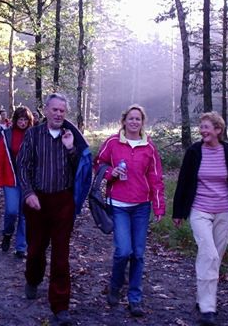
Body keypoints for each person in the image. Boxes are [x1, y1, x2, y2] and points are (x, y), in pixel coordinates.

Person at [172, 111, 228, 326]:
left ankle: (203, 297)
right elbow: (183, 182)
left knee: (214, 258)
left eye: (207, 127)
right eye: (201, 127)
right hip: (200, 210)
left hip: (224, 211)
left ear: (218, 130)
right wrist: (178, 212)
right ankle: (208, 308)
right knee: (209, 254)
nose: (202, 131)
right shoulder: (193, 152)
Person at [17, 93, 93, 326]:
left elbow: (81, 170)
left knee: (61, 255)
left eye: (62, 110)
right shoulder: (33, 134)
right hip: (37, 202)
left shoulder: (72, 136)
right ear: (46, 110)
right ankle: (33, 278)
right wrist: (28, 193)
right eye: (55, 110)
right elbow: (23, 165)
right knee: (35, 250)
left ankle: (60, 305)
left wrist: (71, 149)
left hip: (63, 202)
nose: (59, 114)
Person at [94, 104, 165, 317]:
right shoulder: (113, 142)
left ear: (142, 123)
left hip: (141, 206)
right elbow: (98, 163)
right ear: (124, 121)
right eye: (131, 118)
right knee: (123, 251)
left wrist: (158, 206)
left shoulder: (149, 147)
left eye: (138, 119)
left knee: (138, 254)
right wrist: (110, 173)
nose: (134, 122)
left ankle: (135, 298)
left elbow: (156, 178)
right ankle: (115, 285)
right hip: (119, 206)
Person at [0, 106, 34, 258]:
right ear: (15, 120)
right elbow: (0, 158)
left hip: (28, 181)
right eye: (20, 119)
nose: (23, 123)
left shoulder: (34, 135)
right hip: (10, 179)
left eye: (25, 120)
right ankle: (7, 233)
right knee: (11, 211)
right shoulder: (6, 135)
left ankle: (21, 247)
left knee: (25, 215)